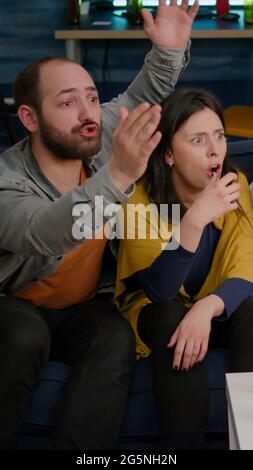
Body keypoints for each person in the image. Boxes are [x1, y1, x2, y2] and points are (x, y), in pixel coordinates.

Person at [0, 0, 199, 451]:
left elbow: (138, 97)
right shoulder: (5, 182)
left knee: (113, 336)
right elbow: (46, 230)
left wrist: (168, 50)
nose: (88, 113)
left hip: (86, 305)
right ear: (29, 118)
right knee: (21, 332)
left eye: (91, 97)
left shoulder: (96, 130)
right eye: (67, 102)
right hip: (14, 305)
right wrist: (121, 177)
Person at [114, 88, 253, 449]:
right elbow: (158, 291)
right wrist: (194, 222)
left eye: (219, 136)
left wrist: (208, 307)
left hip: (214, 309)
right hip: (155, 313)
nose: (215, 150)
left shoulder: (235, 185)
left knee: (251, 310)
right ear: (170, 154)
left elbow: (246, 268)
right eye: (198, 139)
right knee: (170, 316)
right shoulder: (139, 197)